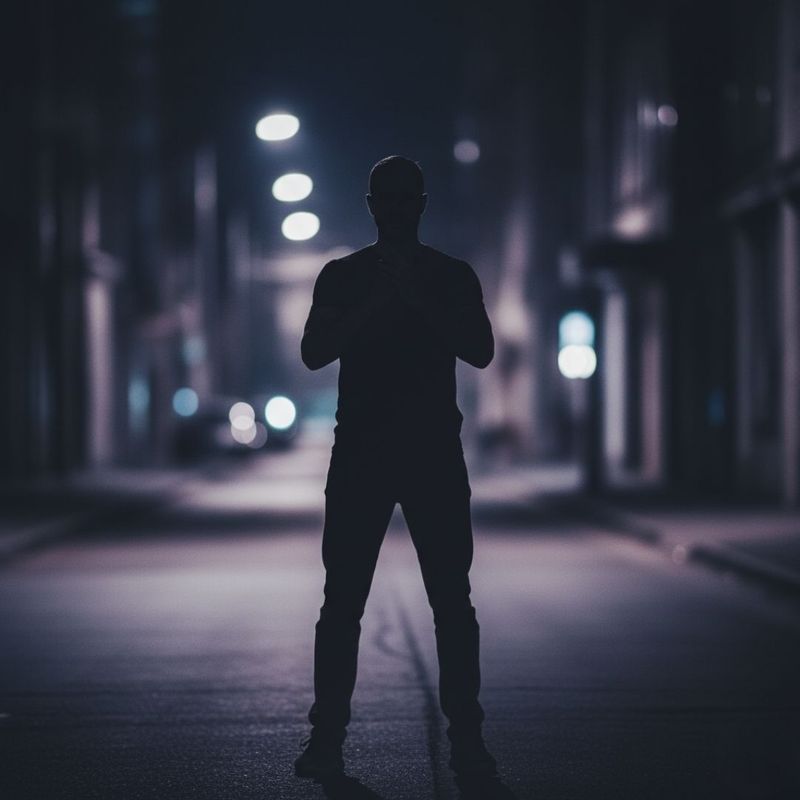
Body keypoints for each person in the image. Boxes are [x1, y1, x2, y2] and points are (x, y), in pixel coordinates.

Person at [295, 155, 509, 796]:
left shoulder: (450, 276)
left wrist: (416, 301)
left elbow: (480, 350)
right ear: (369, 205)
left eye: (403, 198)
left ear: (420, 204)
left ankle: (467, 742)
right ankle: (326, 739)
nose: (393, 209)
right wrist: (374, 306)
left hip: (431, 454)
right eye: (382, 199)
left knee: (451, 601)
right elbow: (312, 353)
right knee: (342, 603)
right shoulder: (342, 276)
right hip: (361, 452)